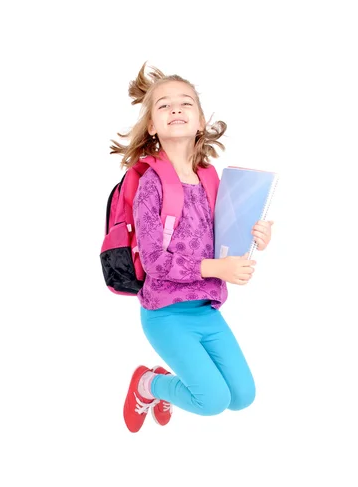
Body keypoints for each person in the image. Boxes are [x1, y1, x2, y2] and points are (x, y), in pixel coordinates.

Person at [110, 62, 273, 433]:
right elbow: (154, 261)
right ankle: (149, 384)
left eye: (185, 103)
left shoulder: (212, 179)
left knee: (242, 397)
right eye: (164, 105)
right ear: (152, 125)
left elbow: (227, 237)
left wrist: (258, 237)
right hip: (166, 314)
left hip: (206, 311)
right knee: (212, 401)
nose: (176, 109)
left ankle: (165, 382)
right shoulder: (152, 184)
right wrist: (217, 269)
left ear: (200, 121)